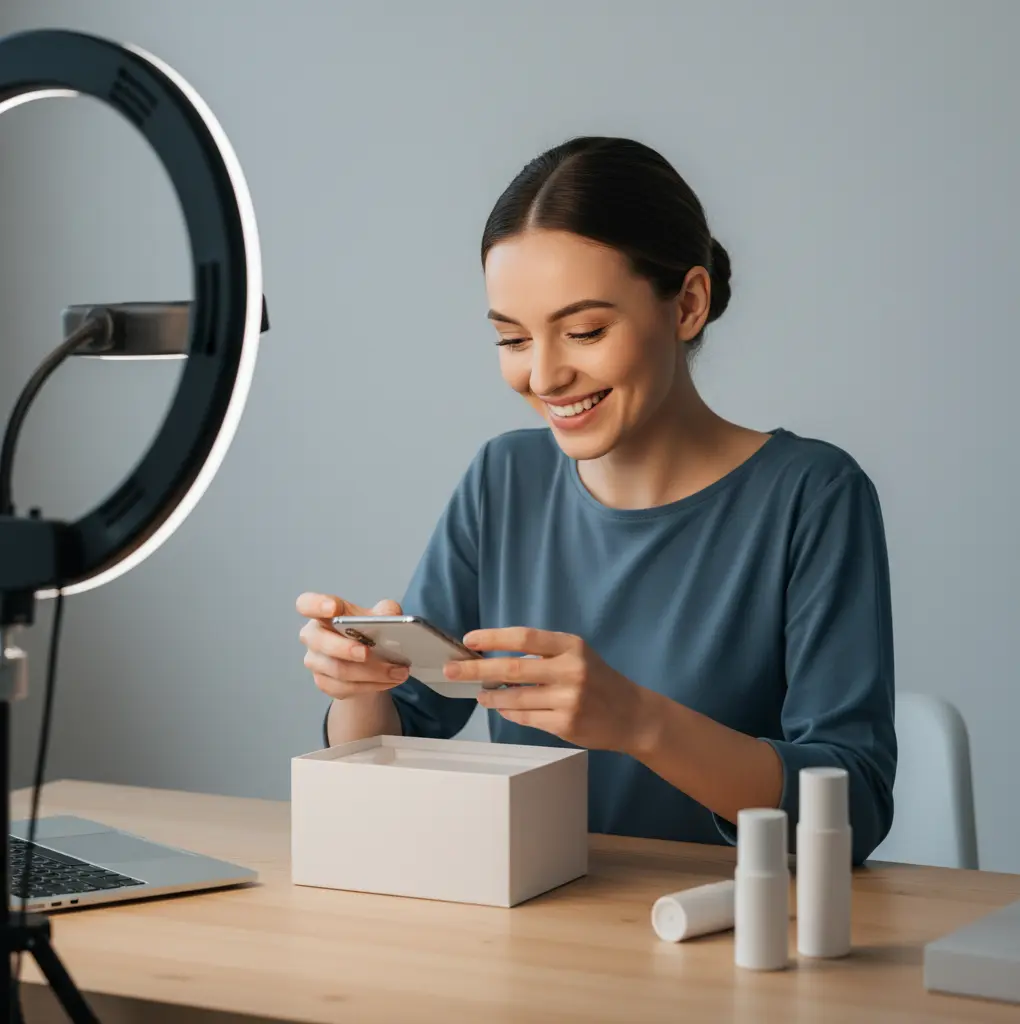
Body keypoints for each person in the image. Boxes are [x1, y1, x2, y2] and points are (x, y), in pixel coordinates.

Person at [297, 136, 896, 865]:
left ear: (688, 304)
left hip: (737, 935)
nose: (545, 376)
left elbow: (853, 805)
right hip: (537, 921)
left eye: (584, 331)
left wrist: (640, 721)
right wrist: (358, 686)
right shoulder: (502, 478)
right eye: (512, 339)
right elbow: (398, 744)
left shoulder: (811, 495)